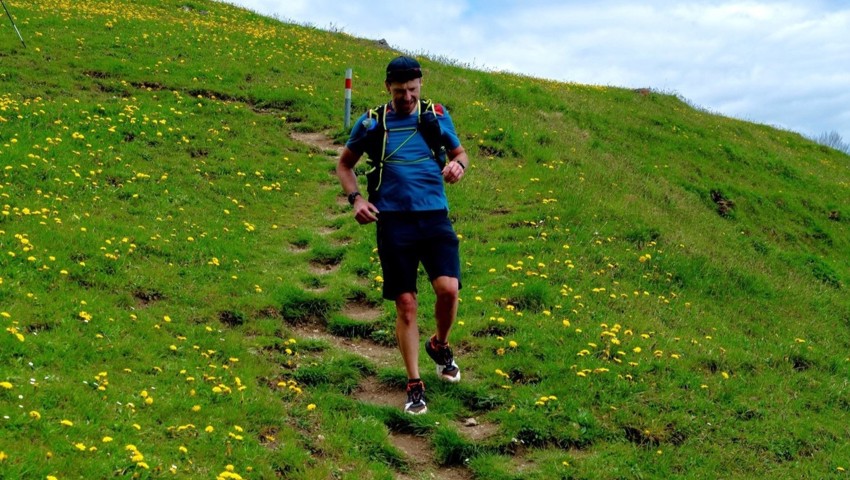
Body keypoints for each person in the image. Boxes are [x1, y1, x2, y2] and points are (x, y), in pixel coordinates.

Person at [336, 55, 469, 415]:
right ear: (387, 88)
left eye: (412, 90)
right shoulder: (371, 122)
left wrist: (458, 165)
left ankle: (439, 345)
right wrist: (356, 199)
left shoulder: (436, 115)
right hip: (393, 220)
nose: (407, 97)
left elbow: (461, 153)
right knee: (406, 303)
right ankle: (414, 383)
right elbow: (344, 164)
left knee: (448, 289)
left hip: (434, 216)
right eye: (399, 91)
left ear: (420, 84)